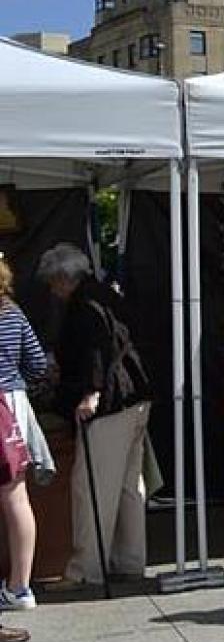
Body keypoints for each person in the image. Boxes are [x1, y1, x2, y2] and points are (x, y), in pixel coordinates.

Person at [39, 244, 154, 586]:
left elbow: (97, 348)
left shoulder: (84, 305)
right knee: (128, 487)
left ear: (63, 278)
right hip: (136, 398)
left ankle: (86, 570)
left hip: (110, 404)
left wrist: (91, 392)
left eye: (52, 283)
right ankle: (129, 561)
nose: (52, 291)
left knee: (91, 489)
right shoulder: (107, 294)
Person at [0, 256, 49, 611]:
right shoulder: (13, 313)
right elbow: (37, 363)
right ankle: (21, 586)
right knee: (17, 497)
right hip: (13, 404)